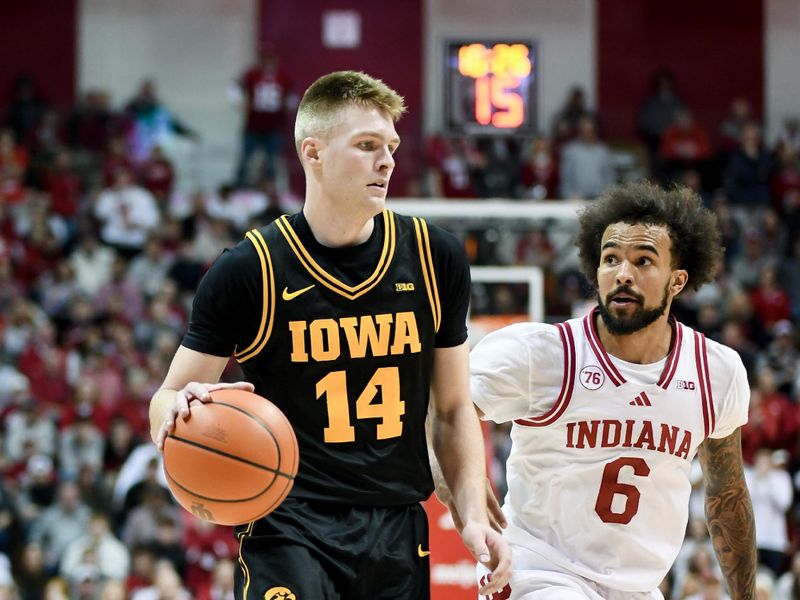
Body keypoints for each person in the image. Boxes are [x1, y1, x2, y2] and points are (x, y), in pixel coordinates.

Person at [149, 70, 510, 599]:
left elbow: (454, 408)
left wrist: (471, 514)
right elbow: (164, 398)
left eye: (390, 146)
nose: (386, 160)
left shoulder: (437, 257)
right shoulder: (250, 270)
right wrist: (180, 412)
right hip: (289, 521)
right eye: (366, 146)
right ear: (312, 153)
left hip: (396, 526)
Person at [468, 182, 756, 598]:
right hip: (536, 569)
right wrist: (468, 499)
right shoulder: (542, 353)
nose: (623, 273)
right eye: (610, 259)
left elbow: (726, 495)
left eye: (643, 261)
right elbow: (443, 409)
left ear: (677, 280)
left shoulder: (717, 372)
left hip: (636, 586)